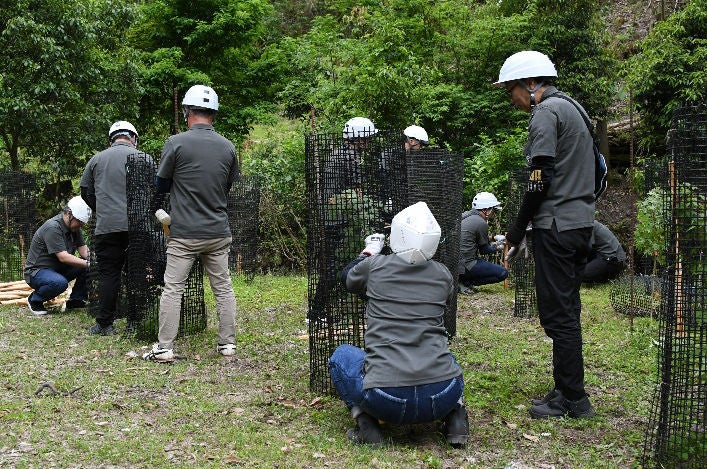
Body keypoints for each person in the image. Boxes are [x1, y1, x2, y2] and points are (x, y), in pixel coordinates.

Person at [496, 51, 596, 419]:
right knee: (567, 308)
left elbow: (539, 181)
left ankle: (573, 398)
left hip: (555, 226)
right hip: (581, 223)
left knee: (557, 314)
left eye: (511, 90)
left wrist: (516, 229)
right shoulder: (575, 110)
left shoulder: (545, 114)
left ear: (530, 84)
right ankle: (565, 387)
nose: (512, 99)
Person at [328, 202, 469, 447]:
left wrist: (369, 251)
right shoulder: (444, 274)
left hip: (386, 398)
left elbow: (347, 278)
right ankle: (456, 417)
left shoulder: (374, 267)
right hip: (441, 394)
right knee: (449, 360)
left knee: (341, 356)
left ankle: (366, 425)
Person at [142, 84, 240, 361]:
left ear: (187, 112)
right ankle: (227, 345)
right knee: (223, 288)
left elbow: (161, 184)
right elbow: (227, 186)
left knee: (173, 288)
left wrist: (159, 206)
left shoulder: (175, 143)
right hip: (218, 231)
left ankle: (164, 347)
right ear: (214, 114)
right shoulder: (228, 146)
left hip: (184, 232)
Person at [81, 120, 145, 335]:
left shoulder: (97, 159)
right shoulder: (144, 158)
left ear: (111, 139)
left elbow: (85, 191)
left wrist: (103, 209)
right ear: (133, 138)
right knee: (136, 274)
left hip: (106, 227)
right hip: (137, 227)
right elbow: (156, 190)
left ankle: (105, 324)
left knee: (109, 274)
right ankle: (135, 322)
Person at [308, 117, 375, 321]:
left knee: (333, 265)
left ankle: (319, 310)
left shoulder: (338, 152)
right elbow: (357, 191)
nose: (369, 142)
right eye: (367, 138)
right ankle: (316, 311)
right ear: (359, 137)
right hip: (339, 220)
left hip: (331, 217)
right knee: (338, 266)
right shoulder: (351, 156)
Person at [24, 196, 91, 316]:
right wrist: (89, 263)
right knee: (60, 283)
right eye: (80, 222)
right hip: (36, 272)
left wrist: (97, 260)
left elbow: (83, 251)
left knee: (88, 266)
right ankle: (35, 299)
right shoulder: (53, 227)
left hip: (57, 269)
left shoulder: (75, 228)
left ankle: (75, 300)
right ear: (69, 214)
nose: (81, 225)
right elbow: (63, 257)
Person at [458, 192, 508, 293]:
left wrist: (493, 238)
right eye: (493, 210)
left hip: (455, 264)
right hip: (466, 265)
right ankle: (464, 283)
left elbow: (472, 237)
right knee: (503, 273)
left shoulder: (465, 215)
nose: (493, 213)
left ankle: (460, 281)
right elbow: (484, 250)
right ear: (486, 210)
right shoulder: (481, 222)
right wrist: (498, 247)